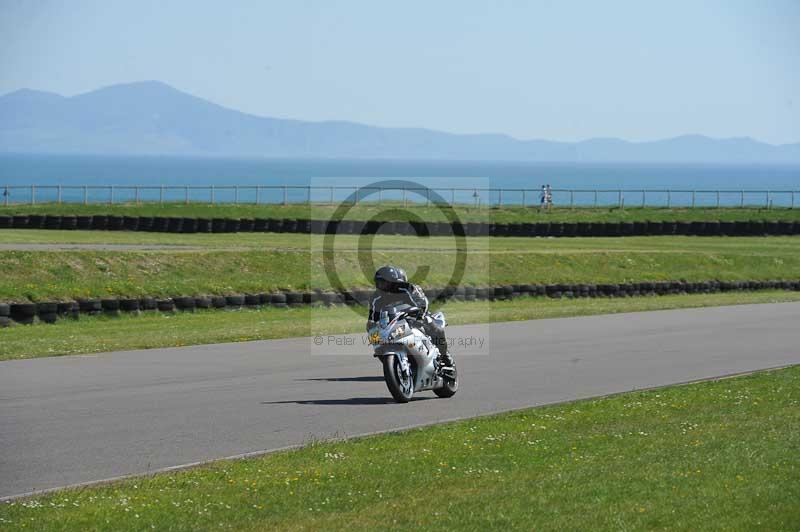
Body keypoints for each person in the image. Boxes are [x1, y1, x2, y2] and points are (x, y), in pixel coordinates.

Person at [367, 265, 453, 368]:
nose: (380, 286)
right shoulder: (376, 297)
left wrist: (419, 312)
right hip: (393, 323)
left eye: (383, 283)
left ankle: (445, 357)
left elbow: (422, 302)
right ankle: (393, 362)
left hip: (415, 317)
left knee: (432, 325)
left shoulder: (408, 288)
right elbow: (373, 317)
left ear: (392, 281)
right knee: (375, 336)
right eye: (379, 283)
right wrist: (372, 327)